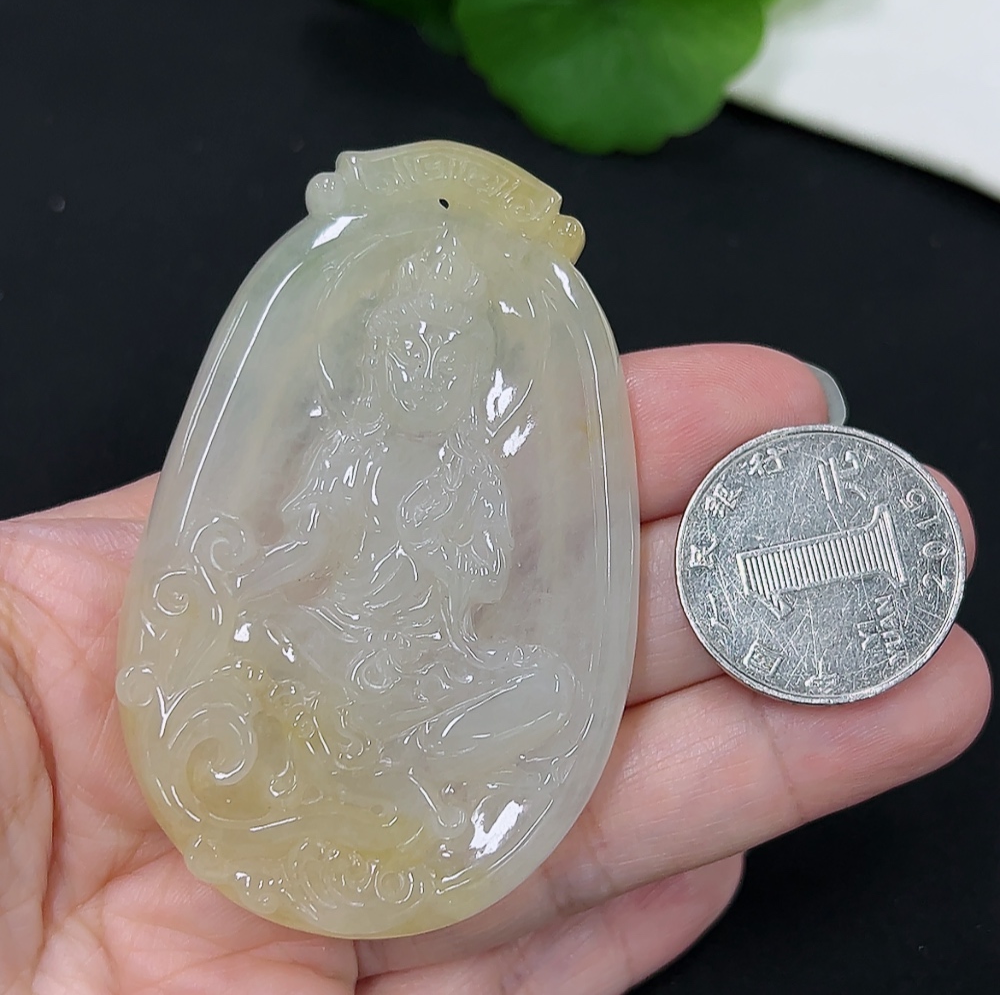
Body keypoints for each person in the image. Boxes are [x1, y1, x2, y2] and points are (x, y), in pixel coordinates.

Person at [0, 344, 986, 995]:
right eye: (411, 361)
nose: (427, 379)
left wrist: (430, 562)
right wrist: (231, 592)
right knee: (296, 671)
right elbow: (300, 553)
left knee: (548, 688)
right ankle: (376, 767)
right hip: (333, 639)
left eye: (448, 365)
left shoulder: (466, 468)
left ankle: (391, 767)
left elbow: (480, 580)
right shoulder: (353, 451)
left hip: (429, 657)